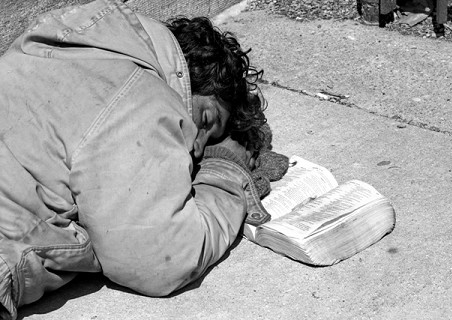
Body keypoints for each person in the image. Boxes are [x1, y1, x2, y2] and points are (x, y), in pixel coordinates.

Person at [0, 0, 270, 318]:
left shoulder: (59, 37)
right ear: (189, 77)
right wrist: (225, 168)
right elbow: (160, 260)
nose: (197, 147)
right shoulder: (144, 97)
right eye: (206, 120)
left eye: (209, 141)